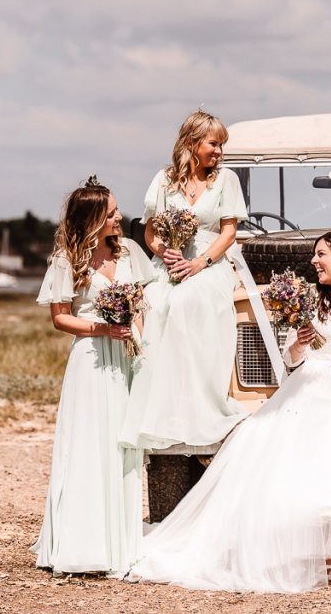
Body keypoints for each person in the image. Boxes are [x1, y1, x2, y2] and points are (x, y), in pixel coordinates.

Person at [124, 228, 331, 593]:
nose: (313, 261)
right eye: (315, 255)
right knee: (264, 442)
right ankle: (296, 544)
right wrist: (299, 344)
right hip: (309, 384)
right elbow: (290, 357)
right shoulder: (313, 300)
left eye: (321, 255)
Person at [31, 177, 155, 576]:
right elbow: (60, 318)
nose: (121, 218)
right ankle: (82, 543)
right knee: (88, 444)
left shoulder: (132, 252)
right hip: (90, 359)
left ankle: (121, 543)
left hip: (126, 357)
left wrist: (138, 336)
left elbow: (145, 304)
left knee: (122, 444)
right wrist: (103, 328)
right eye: (113, 213)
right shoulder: (68, 260)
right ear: (94, 219)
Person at [120, 110, 249, 450]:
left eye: (221, 145)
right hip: (171, 260)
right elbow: (150, 230)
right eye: (213, 143)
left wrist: (199, 263)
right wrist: (164, 252)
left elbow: (229, 231)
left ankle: (196, 408)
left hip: (210, 261)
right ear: (191, 143)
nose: (219, 151)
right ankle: (156, 410)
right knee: (154, 304)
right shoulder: (164, 180)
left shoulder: (226, 180)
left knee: (185, 302)